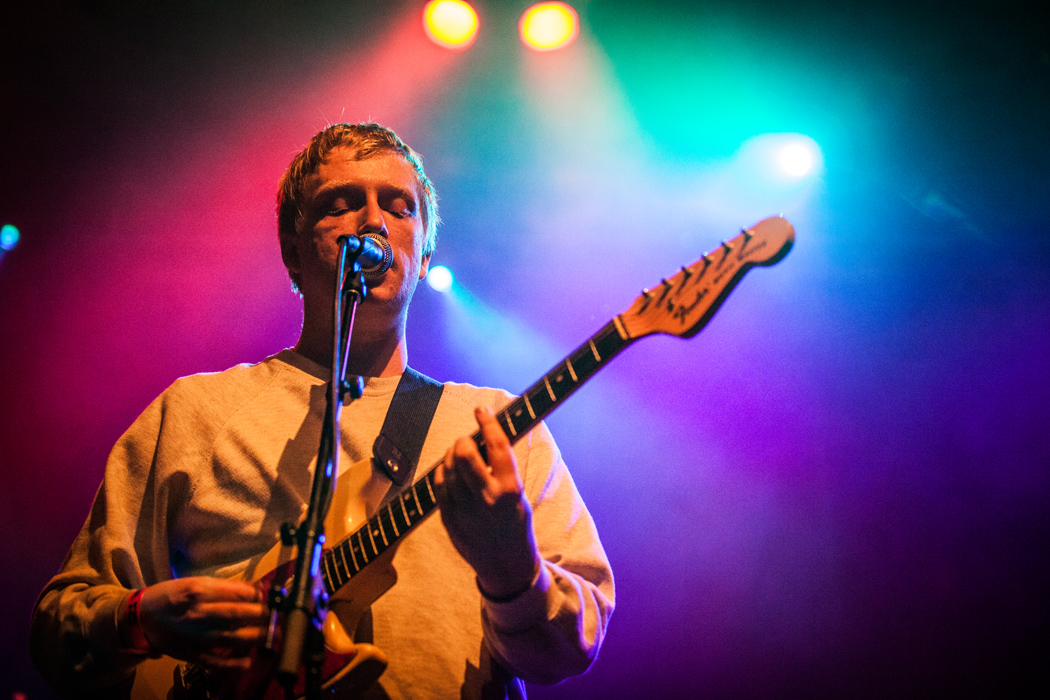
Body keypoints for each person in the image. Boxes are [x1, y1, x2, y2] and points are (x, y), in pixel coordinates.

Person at [30, 123, 614, 699]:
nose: (373, 223)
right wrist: (141, 619)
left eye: (399, 207)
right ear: (292, 245)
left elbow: (569, 650)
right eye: (340, 204)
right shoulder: (195, 411)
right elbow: (58, 635)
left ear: (425, 247)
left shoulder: (495, 427)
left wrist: (514, 568)